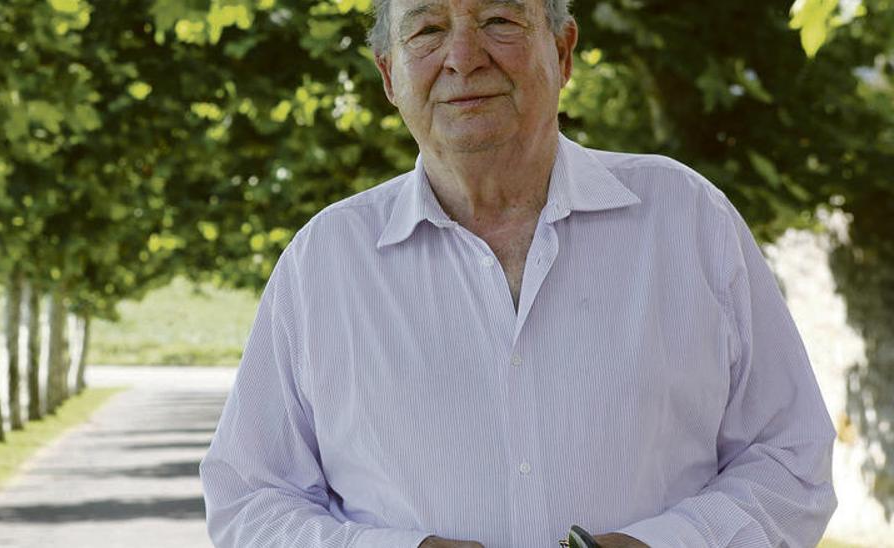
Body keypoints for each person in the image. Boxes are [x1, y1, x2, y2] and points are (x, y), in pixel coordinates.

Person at [198, 0, 839, 546]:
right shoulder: (324, 262)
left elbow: (791, 460)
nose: (464, 57)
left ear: (562, 53)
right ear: (389, 75)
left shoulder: (686, 217)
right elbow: (249, 497)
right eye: (426, 31)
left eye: (500, 20)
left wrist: (666, 545)